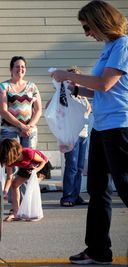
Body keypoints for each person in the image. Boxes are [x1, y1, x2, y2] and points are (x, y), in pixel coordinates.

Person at [50, 1, 128, 264]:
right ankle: (98, 250)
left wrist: (64, 75)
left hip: (120, 127)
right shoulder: (109, 48)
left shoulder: (123, 45)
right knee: (97, 188)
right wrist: (74, 88)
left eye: (87, 27)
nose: (86, 33)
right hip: (102, 125)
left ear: (100, 21)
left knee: (125, 188)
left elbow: (105, 84)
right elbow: (97, 90)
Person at [58, 67, 92, 207]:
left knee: (79, 167)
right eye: (70, 78)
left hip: (83, 133)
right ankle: (67, 196)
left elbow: (88, 108)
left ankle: (76, 195)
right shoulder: (65, 94)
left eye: (76, 78)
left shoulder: (82, 95)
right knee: (71, 166)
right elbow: (54, 107)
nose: (74, 81)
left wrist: (85, 114)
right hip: (71, 134)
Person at [0, 139, 51, 222]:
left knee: (31, 185)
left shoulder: (28, 153)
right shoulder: (9, 160)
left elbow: (43, 161)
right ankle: (16, 213)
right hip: (27, 168)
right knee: (15, 185)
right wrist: (5, 191)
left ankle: (32, 211)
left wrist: (36, 170)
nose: (9, 163)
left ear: (15, 153)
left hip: (41, 167)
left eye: (9, 160)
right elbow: (9, 177)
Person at [0, 56, 42, 149]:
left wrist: (29, 127)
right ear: (11, 69)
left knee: (28, 161)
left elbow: (38, 110)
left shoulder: (32, 87)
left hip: (29, 131)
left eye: (22, 67)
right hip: (9, 131)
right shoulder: (3, 87)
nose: (20, 69)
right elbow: (3, 112)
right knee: (12, 161)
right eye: (17, 66)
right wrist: (21, 126)